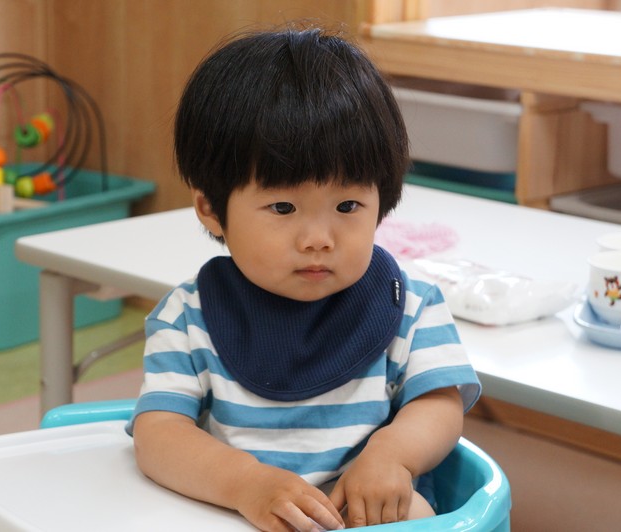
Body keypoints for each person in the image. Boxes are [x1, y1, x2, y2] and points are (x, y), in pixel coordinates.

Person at [126, 26, 481, 532]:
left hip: (362, 511)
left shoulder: (411, 305)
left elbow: (439, 402)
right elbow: (159, 433)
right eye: (283, 207)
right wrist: (245, 484)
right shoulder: (188, 317)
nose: (319, 239)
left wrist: (391, 456)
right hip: (238, 512)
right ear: (211, 208)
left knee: (418, 516)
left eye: (348, 205)